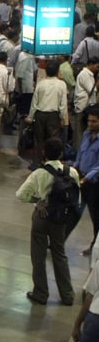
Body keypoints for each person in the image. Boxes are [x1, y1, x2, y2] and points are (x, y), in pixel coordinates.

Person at [16, 137, 78, 306]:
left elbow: (20, 194)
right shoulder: (71, 172)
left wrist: (38, 201)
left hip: (42, 217)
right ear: (61, 153)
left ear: (44, 153)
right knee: (59, 254)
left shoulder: (39, 173)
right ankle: (67, 295)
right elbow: (75, 199)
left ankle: (41, 293)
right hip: (60, 219)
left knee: (38, 255)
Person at [27, 60, 67, 167]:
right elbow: (63, 104)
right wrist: (63, 117)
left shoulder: (41, 83)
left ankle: (36, 163)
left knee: (38, 140)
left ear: (46, 72)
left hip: (39, 115)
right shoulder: (62, 84)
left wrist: (30, 117)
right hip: (53, 116)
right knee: (53, 140)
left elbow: (34, 102)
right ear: (57, 71)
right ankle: (52, 163)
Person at [75, 106, 99, 255]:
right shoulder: (86, 134)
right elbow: (80, 154)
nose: (90, 124)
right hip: (81, 178)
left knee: (96, 217)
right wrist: (75, 168)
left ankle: (95, 246)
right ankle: (57, 242)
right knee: (73, 212)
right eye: (89, 121)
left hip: (94, 183)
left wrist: (86, 178)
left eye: (94, 121)